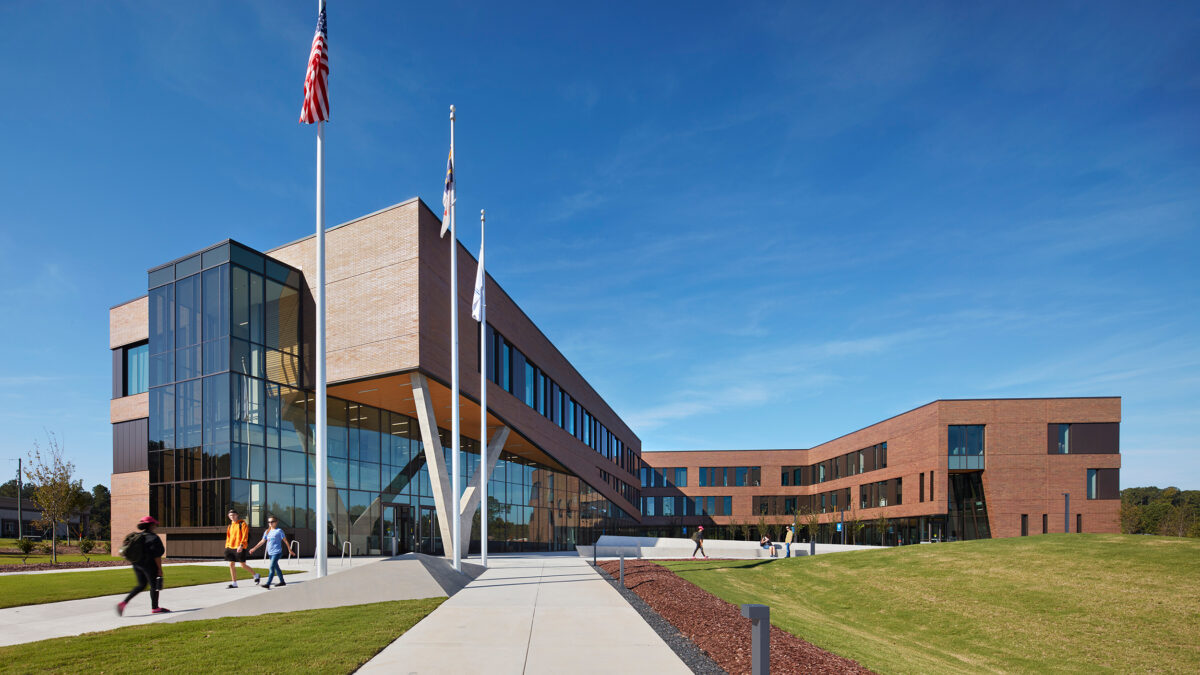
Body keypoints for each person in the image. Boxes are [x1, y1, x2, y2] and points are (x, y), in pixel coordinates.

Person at [116, 516, 168, 615]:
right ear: (151, 525)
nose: (155, 526)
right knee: (154, 585)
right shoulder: (154, 538)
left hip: (137, 564)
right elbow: (157, 556)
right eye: (155, 524)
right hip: (149, 565)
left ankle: (123, 603)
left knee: (141, 585)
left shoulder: (138, 537)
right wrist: (159, 569)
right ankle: (155, 608)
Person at [248, 515, 291, 589]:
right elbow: (262, 541)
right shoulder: (267, 532)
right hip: (270, 553)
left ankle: (268, 583)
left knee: (271, 567)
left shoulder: (279, 531)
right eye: (269, 522)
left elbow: (285, 541)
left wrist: (289, 550)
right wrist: (254, 548)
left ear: (276, 522)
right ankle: (282, 581)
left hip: (277, 552)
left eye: (272, 522)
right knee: (276, 567)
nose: (270, 523)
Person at [225, 509, 260, 588]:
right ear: (228, 516)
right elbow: (228, 537)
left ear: (237, 515)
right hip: (230, 547)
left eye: (234, 515)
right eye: (230, 516)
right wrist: (227, 546)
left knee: (242, 565)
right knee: (231, 564)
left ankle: (255, 575)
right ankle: (234, 583)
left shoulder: (242, 523)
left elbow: (245, 535)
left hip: (240, 547)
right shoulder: (230, 526)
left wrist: (241, 545)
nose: (232, 517)